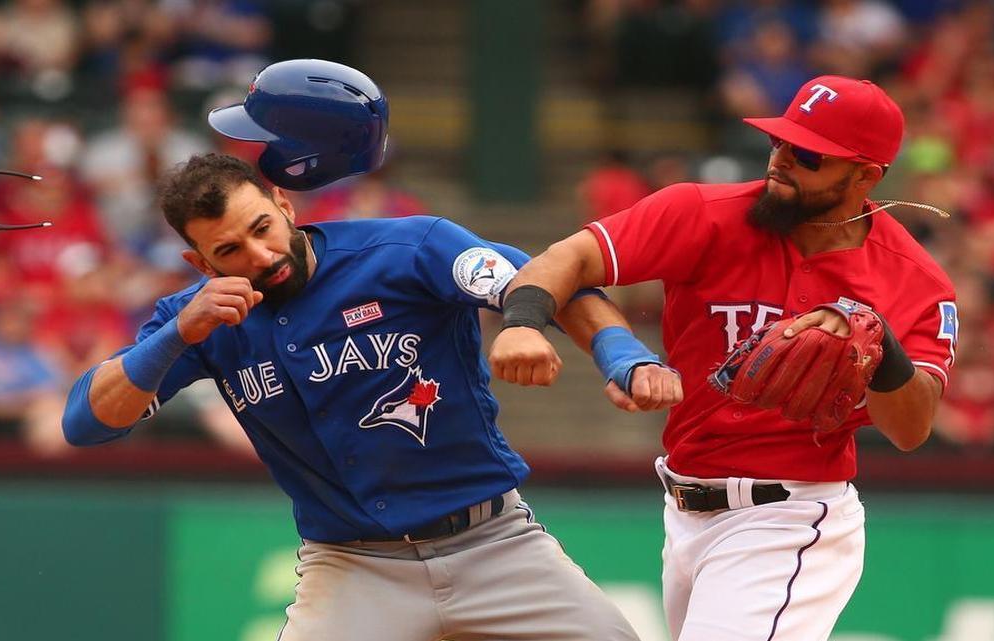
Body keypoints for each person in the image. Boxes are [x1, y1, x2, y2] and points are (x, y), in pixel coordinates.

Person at [62, 60, 679, 641]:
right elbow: (85, 424)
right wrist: (175, 338)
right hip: (353, 566)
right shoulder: (199, 319)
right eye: (228, 252)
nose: (259, 257)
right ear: (199, 263)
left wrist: (622, 354)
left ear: (284, 204)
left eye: (261, 228)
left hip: (496, 544)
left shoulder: (407, 250)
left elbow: (551, 280)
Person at [489, 75, 958, 641]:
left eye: (808, 155)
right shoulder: (702, 213)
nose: (781, 161)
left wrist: (880, 344)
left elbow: (911, 428)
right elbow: (569, 258)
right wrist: (524, 324)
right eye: (778, 141)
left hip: (792, 516)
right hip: (685, 508)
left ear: (867, 175)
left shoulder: (914, 281)